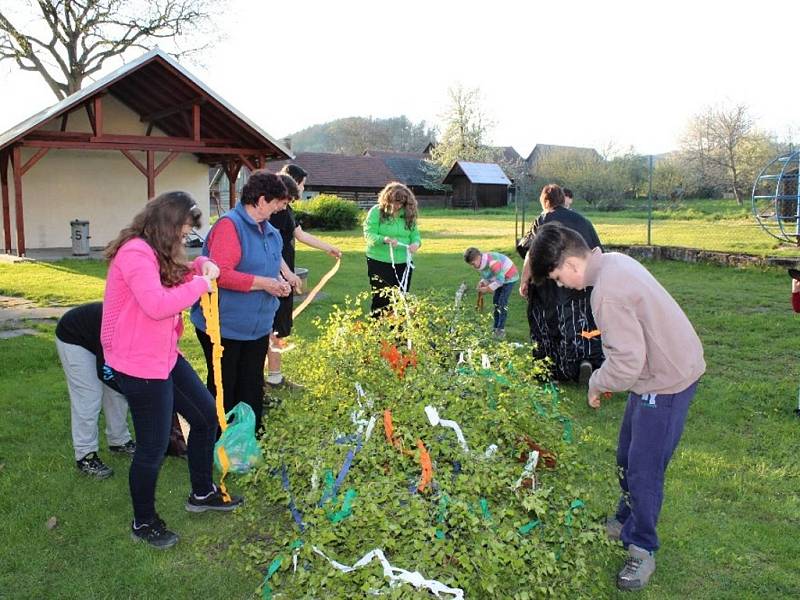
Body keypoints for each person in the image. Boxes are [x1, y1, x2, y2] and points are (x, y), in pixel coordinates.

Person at [529, 222, 706, 591]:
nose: (561, 285)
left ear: (571, 264)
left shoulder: (605, 293)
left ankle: (642, 548)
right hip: (655, 373)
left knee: (643, 469)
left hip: (668, 379)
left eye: (558, 277)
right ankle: (625, 519)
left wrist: (596, 382)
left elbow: (626, 365)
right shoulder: (612, 262)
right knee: (626, 455)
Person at [102, 191, 242, 550]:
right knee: (152, 446)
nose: (185, 236)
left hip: (164, 356)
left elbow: (176, 275)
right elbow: (156, 304)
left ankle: (201, 492)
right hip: (138, 364)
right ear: (167, 223)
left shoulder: (155, 251)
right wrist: (200, 284)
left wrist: (201, 265)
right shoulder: (135, 253)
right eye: (182, 228)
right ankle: (144, 521)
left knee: (206, 416)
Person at [190, 170, 291, 431]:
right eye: (276, 202)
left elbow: (270, 265)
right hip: (224, 326)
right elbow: (221, 275)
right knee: (225, 386)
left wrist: (279, 283)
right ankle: (219, 441)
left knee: (251, 382)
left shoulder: (270, 231)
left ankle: (249, 439)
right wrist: (265, 283)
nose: (279, 208)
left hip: (256, 327)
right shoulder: (229, 226)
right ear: (260, 200)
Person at [266, 165, 342, 390]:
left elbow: (299, 234)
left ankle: (272, 375)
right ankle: (274, 378)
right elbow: (271, 245)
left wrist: (328, 247)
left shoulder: (285, 209)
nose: (303, 188)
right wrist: (284, 274)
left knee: (277, 326)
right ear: (293, 182)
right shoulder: (277, 212)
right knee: (273, 327)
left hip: (284, 272)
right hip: (276, 275)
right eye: (303, 184)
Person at [518, 184, 603, 384]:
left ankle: (553, 371)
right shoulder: (582, 220)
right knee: (580, 323)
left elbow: (530, 254)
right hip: (582, 282)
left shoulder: (543, 220)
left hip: (550, 286)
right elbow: (597, 250)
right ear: (563, 199)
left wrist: (524, 280)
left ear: (545, 202)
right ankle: (587, 361)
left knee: (549, 325)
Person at [56, 302, 134, 479]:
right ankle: (85, 455)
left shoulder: (141, 328)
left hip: (96, 338)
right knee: (89, 396)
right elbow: (104, 371)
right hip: (73, 337)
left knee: (116, 393)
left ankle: (119, 441)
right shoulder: (119, 326)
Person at [363, 182, 421, 314]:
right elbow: (368, 234)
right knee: (381, 298)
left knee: (401, 297)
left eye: (400, 203)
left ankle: (397, 331)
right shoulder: (376, 212)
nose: (397, 206)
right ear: (387, 199)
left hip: (403, 262)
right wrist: (384, 239)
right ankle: (376, 329)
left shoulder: (408, 213)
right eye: (394, 202)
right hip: (379, 261)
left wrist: (416, 244)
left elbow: (415, 235)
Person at [463, 247, 519, 339]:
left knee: (502, 303)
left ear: (478, 257)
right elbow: (489, 275)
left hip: (509, 278)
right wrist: (483, 282)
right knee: (496, 302)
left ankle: (500, 330)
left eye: (473, 264)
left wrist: (488, 288)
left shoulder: (493, 263)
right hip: (500, 277)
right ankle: (495, 327)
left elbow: (500, 281)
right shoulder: (481, 263)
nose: (473, 266)